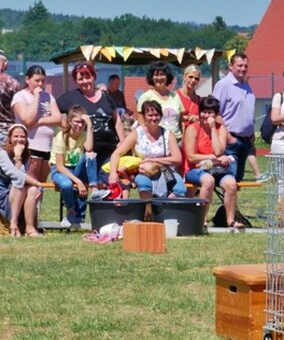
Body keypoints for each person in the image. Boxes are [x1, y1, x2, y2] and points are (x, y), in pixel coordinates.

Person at [55, 60, 125, 183]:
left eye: (88, 77)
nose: (85, 81)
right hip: (84, 151)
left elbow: (117, 120)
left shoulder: (106, 96)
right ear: (75, 81)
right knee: (89, 183)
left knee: (109, 183)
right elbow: (53, 110)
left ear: (94, 77)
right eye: (80, 79)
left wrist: (123, 141)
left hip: (109, 150)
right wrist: (65, 125)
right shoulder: (70, 97)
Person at [183, 96, 240, 230]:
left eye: (210, 112)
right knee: (208, 181)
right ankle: (202, 219)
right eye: (204, 111)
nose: (206, 115)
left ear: (216, 114)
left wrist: (213, 128)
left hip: (217, 169)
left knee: (231, 184)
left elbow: (219, 151)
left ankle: (230, 221)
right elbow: (191, 157)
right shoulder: (193, 129)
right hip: (195, 169)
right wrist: (214, 158)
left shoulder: (221, 129)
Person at [109, 100, 185, 199]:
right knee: (143, 183)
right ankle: (148, 210)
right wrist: (113, 172)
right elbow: (116, 153)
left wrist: (155, 160)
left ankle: (163, 207)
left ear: (161, 116)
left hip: (164, 170)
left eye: (157, 115)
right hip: (143, 171)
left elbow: (178, 159)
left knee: (180, 189)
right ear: (144, 117)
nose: (154, 118)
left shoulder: (168, 134)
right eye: (150, 115)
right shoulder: (137, 133)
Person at [0, 124, 48, 236]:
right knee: (20, 184)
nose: (19, 139)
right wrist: (18, 158)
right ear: (9, 138)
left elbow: (22, 177)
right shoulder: (2, 153)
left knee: (32, 189)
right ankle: (13, 223)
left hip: (15, 191)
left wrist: (35, 186)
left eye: (22, 136)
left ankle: (30, 228)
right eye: (16, 136)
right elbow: (15, 175)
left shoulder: (26, 154)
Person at [11, 64, 62, 190]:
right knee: (30, 185)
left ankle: (36, 210)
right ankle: (27, 210)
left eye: (43, 81)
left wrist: (39, 121)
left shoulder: (48, 96)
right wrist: (36, 97)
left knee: (41, 185)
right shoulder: (20, 96)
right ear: (28, 80)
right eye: (36, 80)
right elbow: (27, 119)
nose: (40, 84)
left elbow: (57, 118)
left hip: (46, 147)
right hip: (31, 146)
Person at [50, 105, 96, 228]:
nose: (80, 125)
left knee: (90, 155)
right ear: (70, 121)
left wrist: (90, 125)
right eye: (76, 122)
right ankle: (70, 210)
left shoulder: (84, 135)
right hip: (61, 170)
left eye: (82, 122)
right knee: (66, 184)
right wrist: (78, 181)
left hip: (76, 168)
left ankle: (94, 187)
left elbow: (90, 149)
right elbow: (59, 166)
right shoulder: (61, 137)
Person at [212, 53, 255, 182]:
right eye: (239, 65)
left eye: (245, 66)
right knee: (229, 179)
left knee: (238, 178)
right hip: (230, 142)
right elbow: (215, 112)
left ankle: (229, 203)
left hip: (246, 141)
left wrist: (251, 133)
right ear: (231, 66)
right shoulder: (223, 85)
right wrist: (228, 136)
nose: (243, 69)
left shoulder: (246, 86)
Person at [137, 62, 185, 143]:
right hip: (156, 141)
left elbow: (181, 121)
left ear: (167, 77)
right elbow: (141, 123)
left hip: (177, 140)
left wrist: (183, 138)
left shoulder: (175, 96)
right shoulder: (145, 97)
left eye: (162, 74)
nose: (159, 78)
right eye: (156, 75)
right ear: (151, 77)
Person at [177, 64, 203, 132]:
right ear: (184, 77)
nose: (193, 80)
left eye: (196, 78)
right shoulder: (175, 96)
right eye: (190, 77)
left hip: (194, 136)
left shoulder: (200, 100)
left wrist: (198, 118)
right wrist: (187, 118)